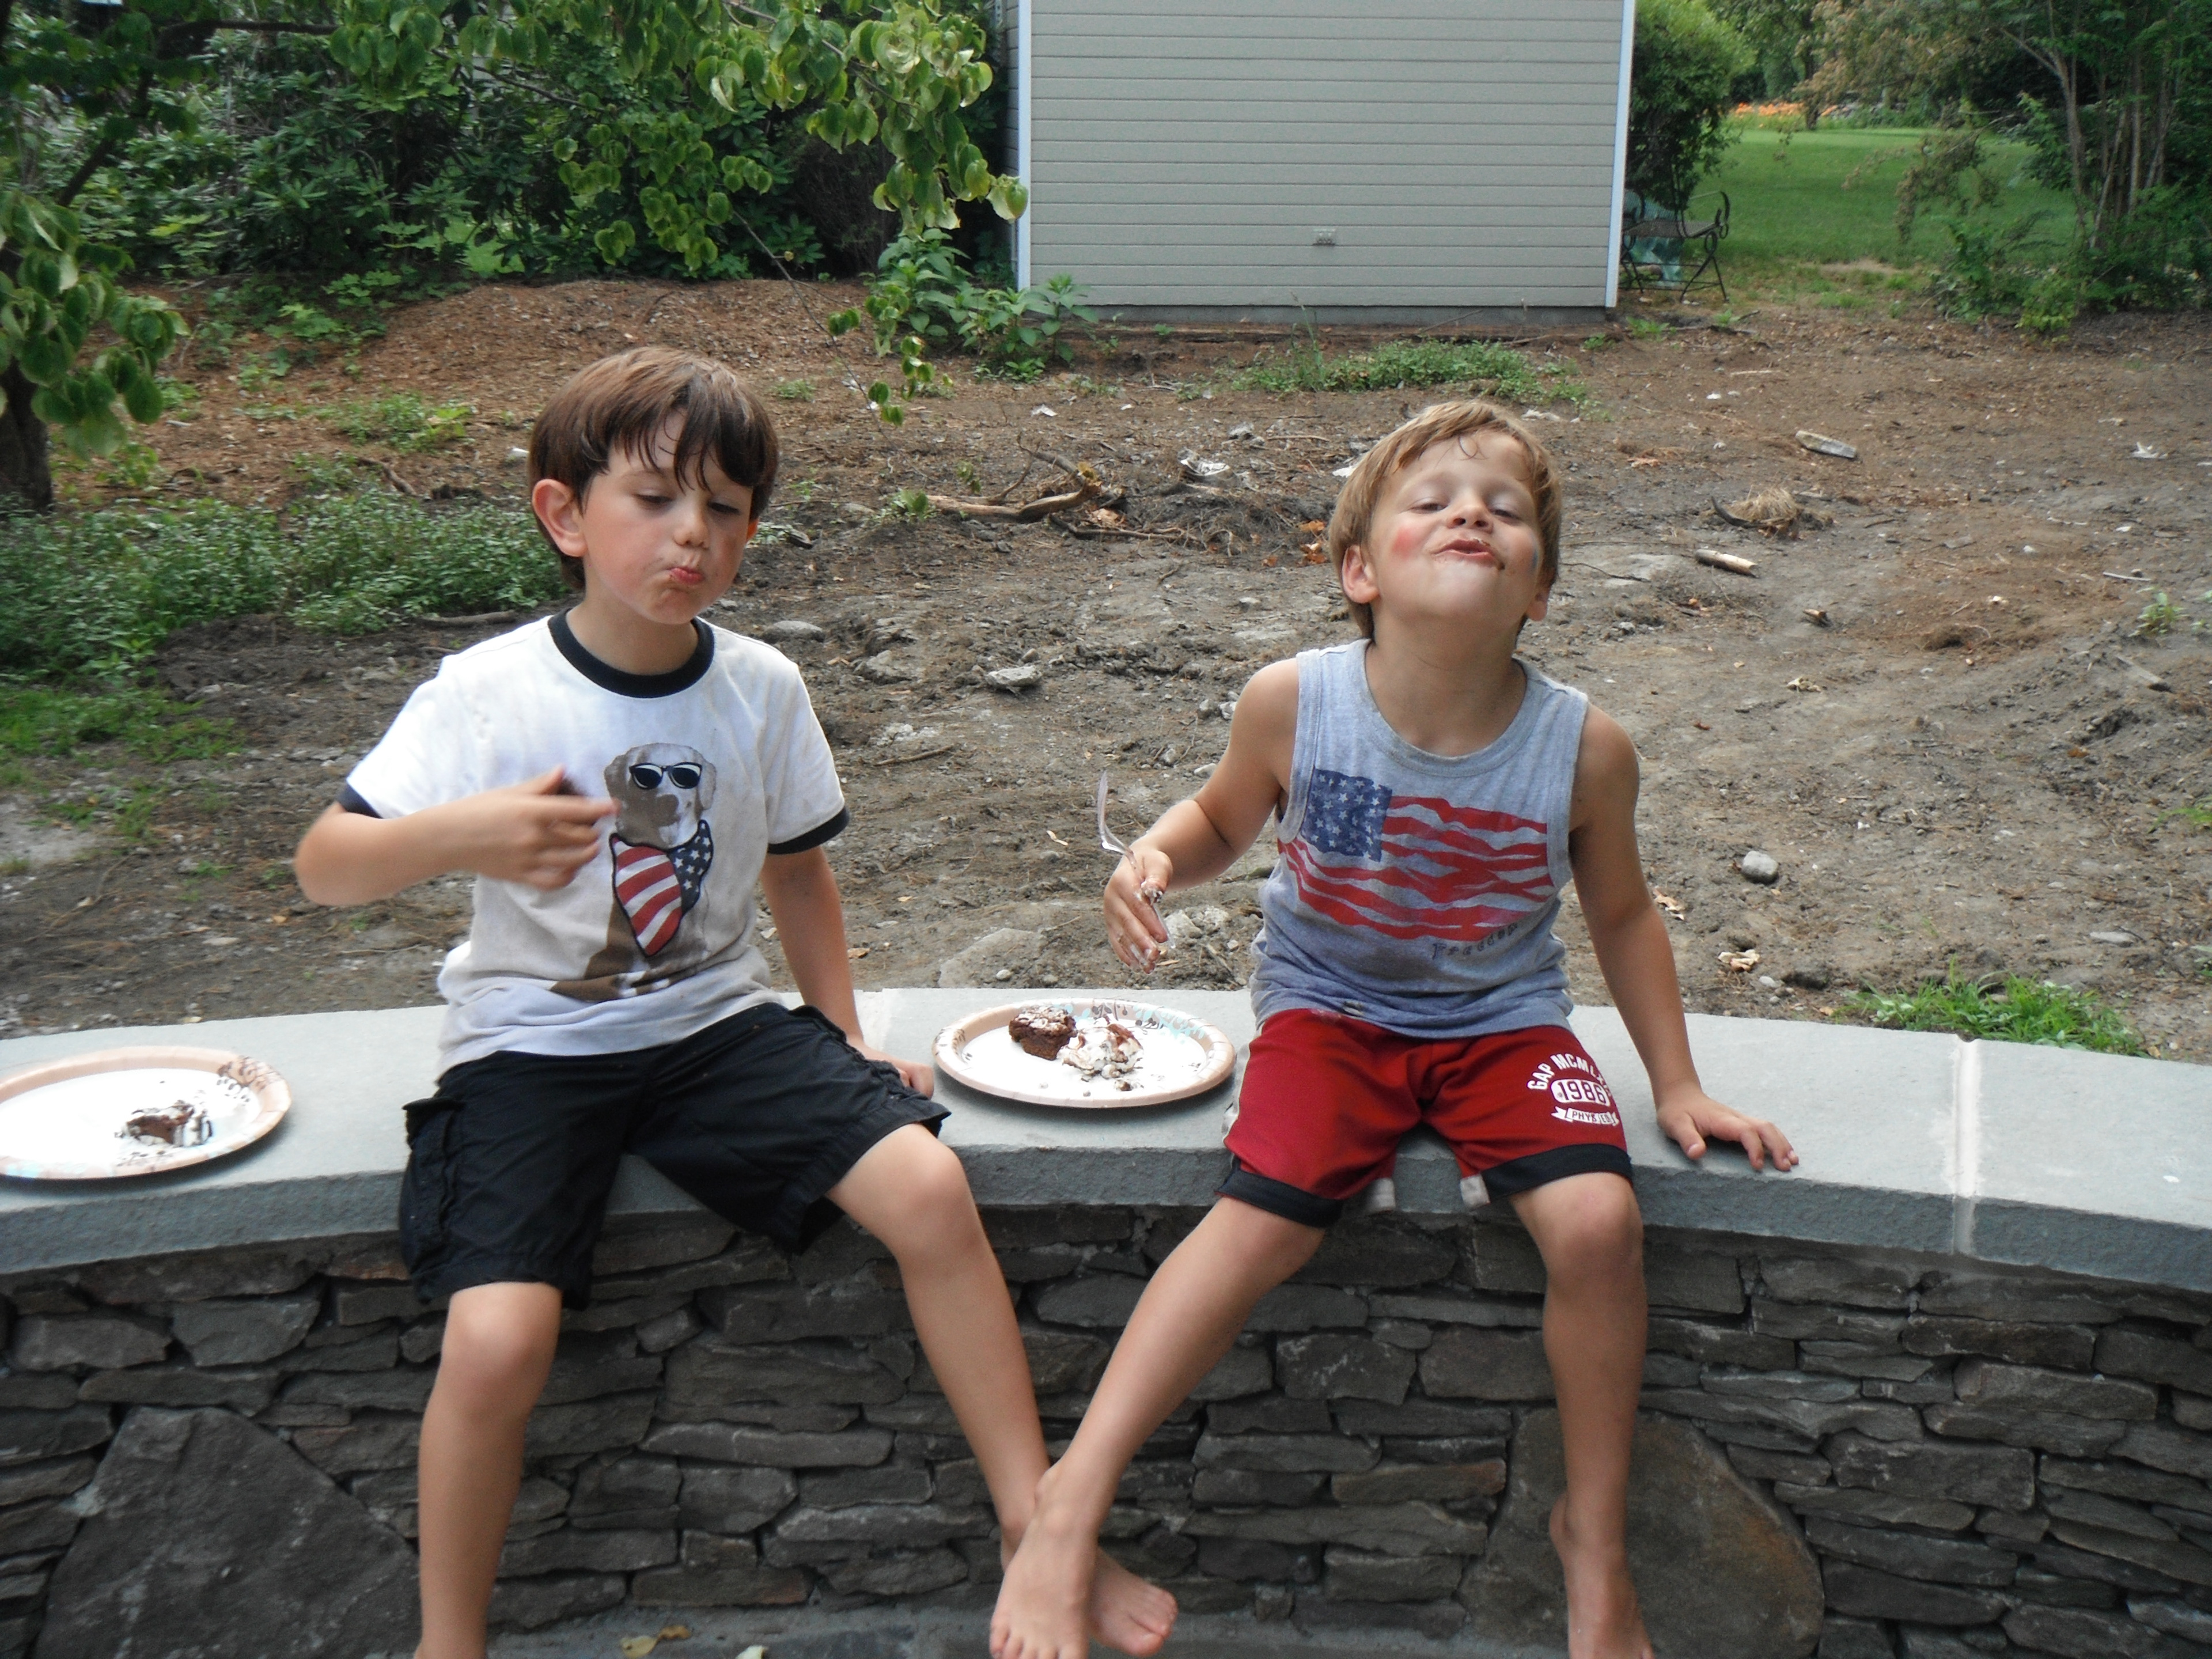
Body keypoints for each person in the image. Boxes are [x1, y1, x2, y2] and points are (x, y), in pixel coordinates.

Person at [293, 347, 1175, 1659]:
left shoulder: (759, 686)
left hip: (711, 1029)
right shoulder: (488, 691)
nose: (690, 534)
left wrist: (844, 1037)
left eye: (724, 507)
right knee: (498, 1335)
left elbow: (799, 873)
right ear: (564, 514)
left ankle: (1033, 1525)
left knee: (928, 1189)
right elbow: (326, 867)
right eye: (654, 499)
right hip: (530, 1049)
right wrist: (457, 836)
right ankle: (448, 1641)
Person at [991, 400, 1798, 1659]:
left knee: (1600, 1224)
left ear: (1540, 589)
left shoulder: (1585, 750)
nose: (1473, 514)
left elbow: (1625, 915)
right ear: (1359, 568)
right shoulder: (1294, 702)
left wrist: (1678, 1085)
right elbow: (1222, 820)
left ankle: (1592, 1540)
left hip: (1503, 1020)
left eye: (1506, 510)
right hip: (1329, 1008)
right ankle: (1068, 1507)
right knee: (1263, 1218)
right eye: (1433, 501)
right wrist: (1151, 858)